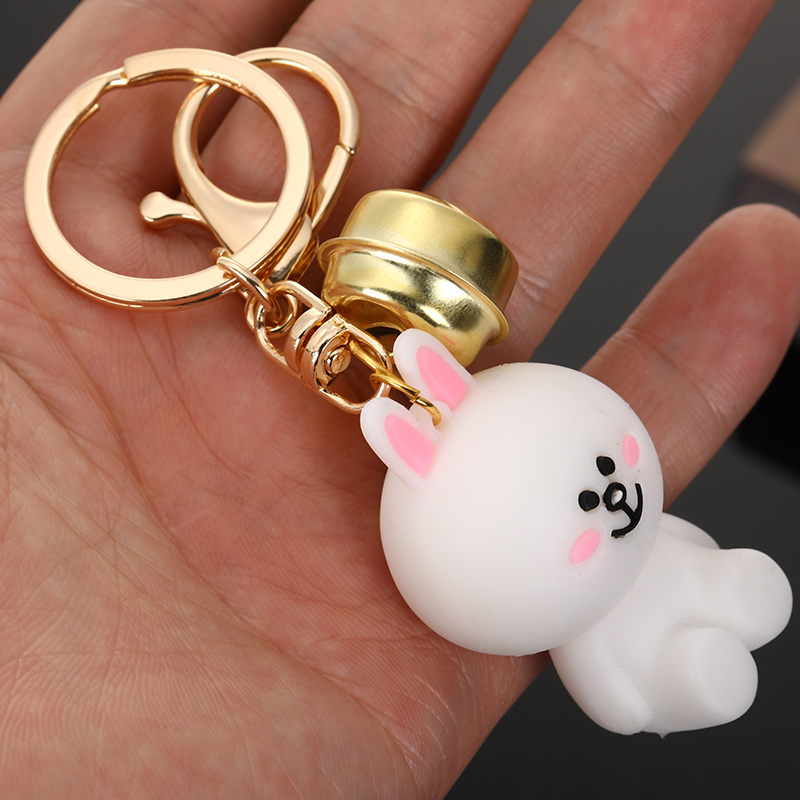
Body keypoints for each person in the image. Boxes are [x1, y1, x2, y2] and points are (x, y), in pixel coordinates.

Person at [1, 0, 798, 797]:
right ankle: (709, 650)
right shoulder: (458, 521)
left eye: (608, 465)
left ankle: (723, 601)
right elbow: (615, 698)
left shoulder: (505, 431)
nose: (617, 497)